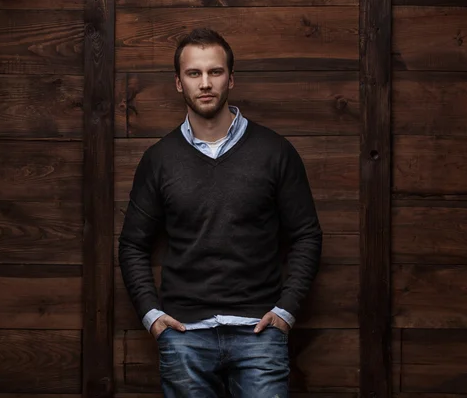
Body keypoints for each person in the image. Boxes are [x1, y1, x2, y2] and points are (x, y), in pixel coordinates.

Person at [118, 27, 322, 398]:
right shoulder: (159, 159)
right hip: (184, 336)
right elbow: (132, 244)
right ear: (179, 83)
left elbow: (306, 235)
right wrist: (152, 316)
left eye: (215, 72)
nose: (205, 83)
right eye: (194, 73)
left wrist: (286, 311)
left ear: (231, 77)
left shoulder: (275, 151)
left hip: (259, 333)